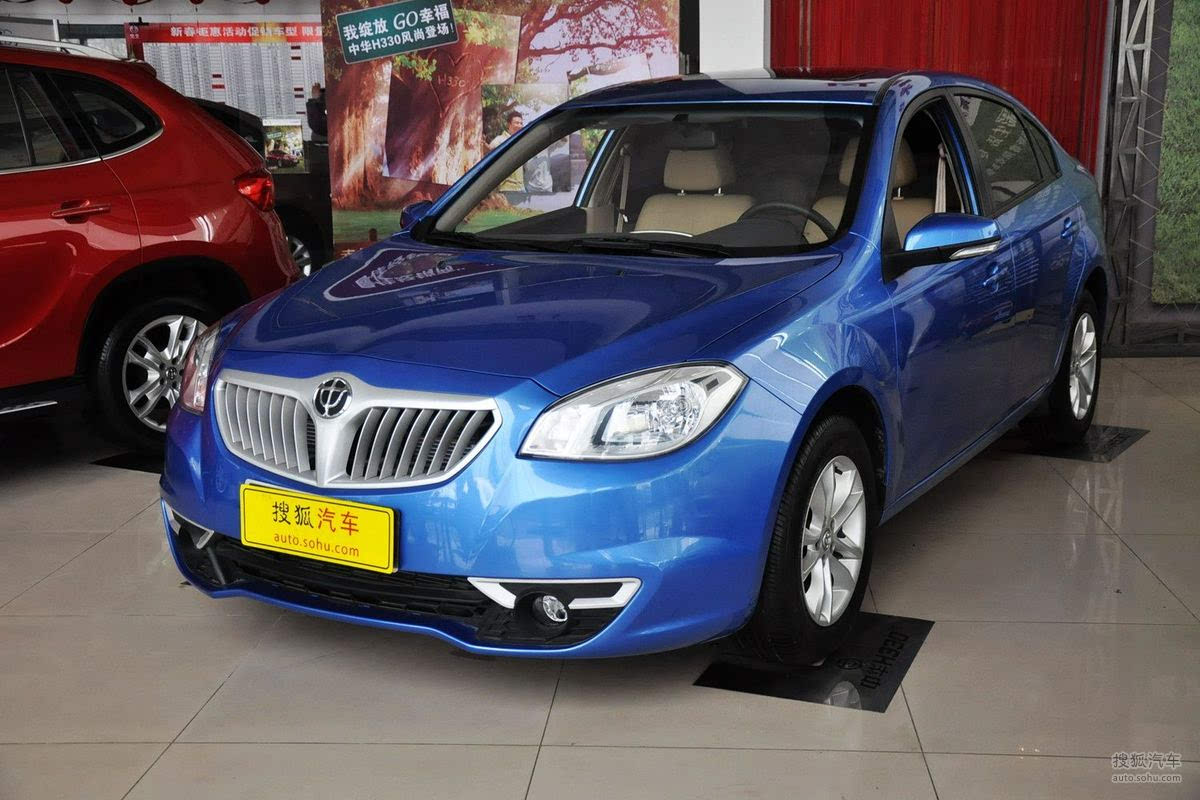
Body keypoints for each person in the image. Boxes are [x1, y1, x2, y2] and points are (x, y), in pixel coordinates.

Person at [487, 110, 525, 203]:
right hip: (506, 189)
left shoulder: (521, 141)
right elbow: (488, 155)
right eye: (516, 123)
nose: (519, 126)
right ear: (508, 124)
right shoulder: (499, 140)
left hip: (521, 189)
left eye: (521, 123)